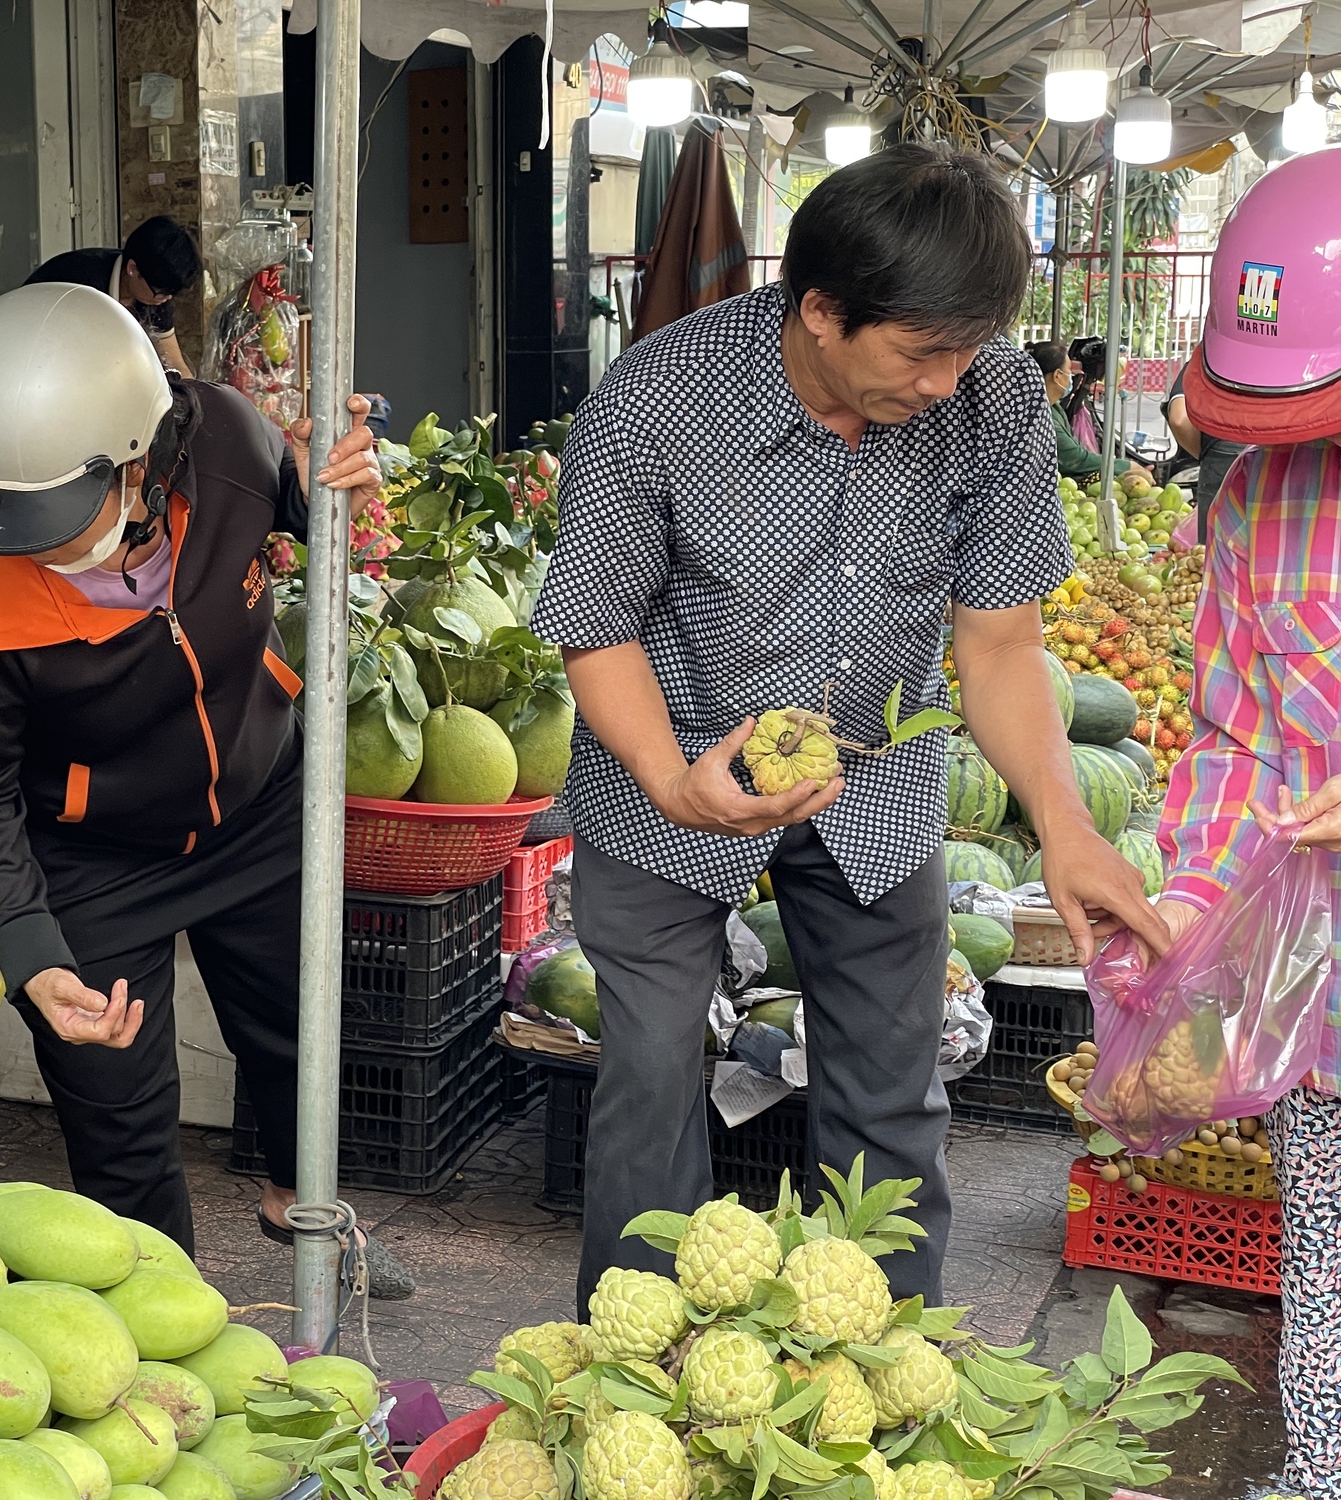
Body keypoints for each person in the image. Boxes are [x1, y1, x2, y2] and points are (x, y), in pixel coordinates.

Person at [530, 143, 1169, 1317]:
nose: (944, 381)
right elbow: (594, 627)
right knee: (651, 1076)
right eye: (922, 351)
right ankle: (629, 1371)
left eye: (966, 349)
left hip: (874, 780)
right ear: (820, 311)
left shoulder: (988, 402)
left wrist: (1066, 827)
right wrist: (674, 781)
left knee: (890, 1083)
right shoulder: (658, 397)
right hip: (667, 757)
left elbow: (996, 644)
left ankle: (882, 1362)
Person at [0, 281, 412, 1293]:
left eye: (54, 517)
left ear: (143, 459)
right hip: (90, 859)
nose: (27, 548)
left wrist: (330, 477)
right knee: (117, 1118)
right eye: (3, 517)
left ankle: (295, 1202)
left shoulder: (220, 439)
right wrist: (31, 958)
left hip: (255, 803)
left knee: (304, 1041)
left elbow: (315, 514)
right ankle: (163, 1320)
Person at [1160, 149, 1341, 1495]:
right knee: (1326, 1253)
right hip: (1319, 989)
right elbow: (1233, 737)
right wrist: (1186, 903)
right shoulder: (1254, 505)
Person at [26, 216, 203, 378]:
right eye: (162, 292)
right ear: (132, 269)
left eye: (170, 294)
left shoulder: (155, 288)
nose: (165, 299)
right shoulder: (79, 285)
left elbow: (173, 362)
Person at [1026, 341, 1151, 487]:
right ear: (1057, 376)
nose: (1072, 376)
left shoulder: (1055, 408)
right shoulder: (1040, 416)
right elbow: (1075, 459)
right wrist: (1126, 467)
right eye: (1069, 371)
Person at [1162, 360, 1246, 539]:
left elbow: (1179, 419)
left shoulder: (1207, 361)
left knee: (1215, 555)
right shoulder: (1300, 363)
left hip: (1222, 454)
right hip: (1286, 463)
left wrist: (1207, 454)